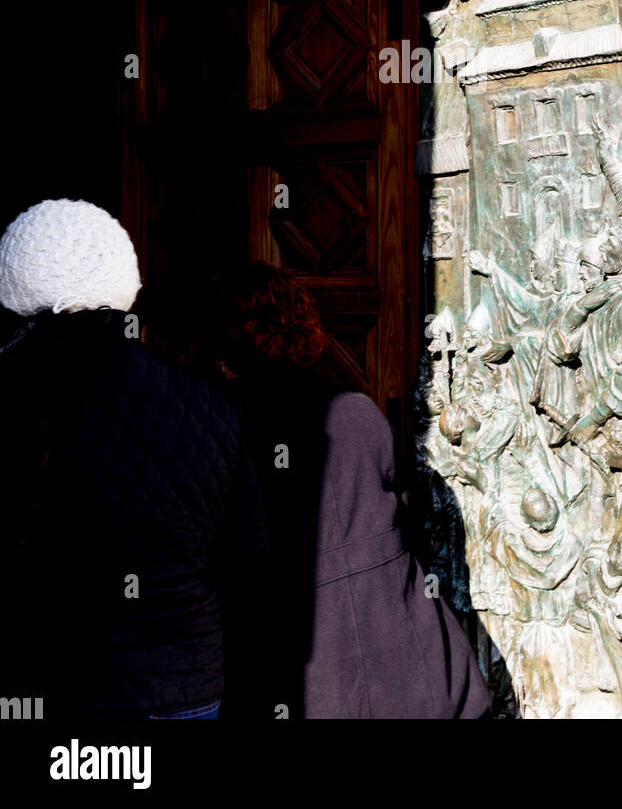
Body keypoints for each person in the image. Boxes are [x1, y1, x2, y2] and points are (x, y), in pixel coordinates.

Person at [0, 198, 264, 720]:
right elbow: (248, 562)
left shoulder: (16, 392)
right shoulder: (211, 402)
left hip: (54, 687)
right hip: (184, 685)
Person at [198, 262, 491, 720]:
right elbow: (405, 514)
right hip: (408, 664)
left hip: (303, 677)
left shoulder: (218, 429)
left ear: (220, 345)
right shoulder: (356, 412)